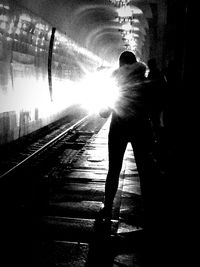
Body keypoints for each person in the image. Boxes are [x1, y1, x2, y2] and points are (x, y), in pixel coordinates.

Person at [98, 51, 158, 222]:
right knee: (144, 171)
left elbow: (104, 112)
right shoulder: (145, 81)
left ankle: (108, 207)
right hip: (141, 129)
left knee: (114, 169)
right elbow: (153, 106)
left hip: (118, 129)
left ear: (120, 64)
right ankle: (149, 209)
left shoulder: (115, 82)